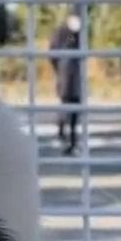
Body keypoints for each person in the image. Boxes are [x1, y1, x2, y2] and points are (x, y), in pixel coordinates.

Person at [49, 11, 85, 154]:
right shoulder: (61, 33)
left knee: (74, 111)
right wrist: (59, 69)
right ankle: (63, 136)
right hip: (65, 77)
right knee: (65, 108)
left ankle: (73, 140)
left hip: (77, 78)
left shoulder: (80, 35)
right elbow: (52, 54)